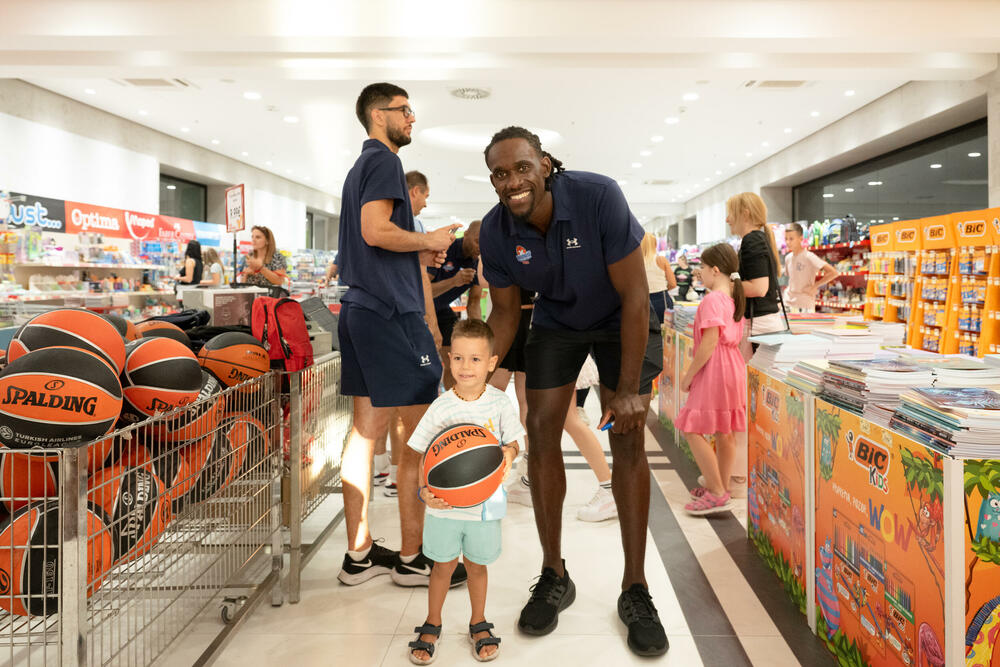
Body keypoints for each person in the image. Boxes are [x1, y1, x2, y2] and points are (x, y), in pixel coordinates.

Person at [480, 126, 667, 657]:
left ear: (544, 165)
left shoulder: (597, 196)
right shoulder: (496, 229)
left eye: (521, 167)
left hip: (621, 316)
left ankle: (636, 588)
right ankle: (554, 574)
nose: (512, 181)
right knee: (540, 430)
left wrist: (627, 392)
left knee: (627, 437)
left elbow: (636, 296)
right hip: (557, 320)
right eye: (499, 173)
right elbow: (505, 313)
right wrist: (472, 380)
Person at [335, 82, 465, 589]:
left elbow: (375, 238)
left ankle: (359, 552)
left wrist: (418, 249)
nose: (412, 118)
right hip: (390, 313)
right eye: (403, 110)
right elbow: (374, 230)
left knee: (365, 433)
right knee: (418, 435)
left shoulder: (359, 167)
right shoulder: (385, 161)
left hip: (361, 308)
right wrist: (428, 238)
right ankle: (414, 558)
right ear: (377, 114)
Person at [406, 319, 524, 664]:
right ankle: (433, 621)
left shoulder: (500, 403)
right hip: (443, 506)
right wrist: (423, 490)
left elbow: (515, 442)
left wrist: (509, 453)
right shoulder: (441, 406)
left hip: (485, 506)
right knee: (442, 567)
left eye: (475, 359)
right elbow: (423, 454)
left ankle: (478, 622)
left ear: (492, 362)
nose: (465, 366)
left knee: (476, 566)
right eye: (458, 358)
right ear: (449, 359)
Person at [674, 243, 747, 516]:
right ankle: (721, 487)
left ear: (715, 270)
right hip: (733, 367)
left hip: (715, 369)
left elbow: (709, 343)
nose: (699, 273)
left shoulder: (712, 300)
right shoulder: (732, 299)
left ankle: (716, 491)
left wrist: (688, 376)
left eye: (702, 267)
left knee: (691, 428)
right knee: (724, 431)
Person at [429, 220, 483, 388]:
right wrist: (454, 281)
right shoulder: (445, 249)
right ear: (466, 234)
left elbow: (474, 302)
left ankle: (452, 399)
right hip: (420, 309)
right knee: (425, 362)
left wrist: (481, 334)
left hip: (442, 309)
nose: (480, 247)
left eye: (484, 244)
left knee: (454, 360)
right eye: (477, 241)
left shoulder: (477, 263)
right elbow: (423, 292)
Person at [726, 192, 786, 336]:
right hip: (761, 323)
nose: (727, 219)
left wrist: (723, 285)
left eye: (731, 214)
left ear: (745, 214)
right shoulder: (757, 238)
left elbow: (759, 288)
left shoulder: (752, 240)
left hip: (757, 324)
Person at [784, 222, 840, 312]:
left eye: (791, 239)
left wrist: (815, 286)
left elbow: (833, 272)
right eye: (786, 239)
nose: (788, 242)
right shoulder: (788, 258)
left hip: (805, 304)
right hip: (788, 303)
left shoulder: (809, 256)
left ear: (801, 238)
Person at [642, 233, 676, 324]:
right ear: (655, 245)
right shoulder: (661, 260)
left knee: (647, 329)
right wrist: (663, 288)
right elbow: (672, 283)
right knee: (665, 329)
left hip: (643, 301)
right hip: (661, 299)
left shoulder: (636, 263)